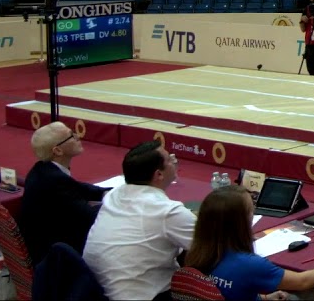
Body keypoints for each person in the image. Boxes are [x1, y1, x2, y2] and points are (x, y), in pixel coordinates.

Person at [186, 185, 314, 301]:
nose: (253, 213)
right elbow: (302, 281)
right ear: (240, 221)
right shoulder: (249, 264)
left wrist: (263, 298)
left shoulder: (196, 252)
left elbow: (230, 292)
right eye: (251, 210)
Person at [84, 141, 197, 301]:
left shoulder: (113, 195)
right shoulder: (167, 211)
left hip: (95, 292)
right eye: (169, 159)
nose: (174, 160)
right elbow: (211, 247)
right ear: (159, 175)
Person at [19, 122, 109, 264]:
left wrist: (107, 192)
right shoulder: (54, 180)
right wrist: (120, 200)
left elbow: (77, 187)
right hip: (56, 260)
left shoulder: (42, 170)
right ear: (58, 151)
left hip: (48, 244)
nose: (78, 136)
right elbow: (90, 217)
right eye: (71, 136)